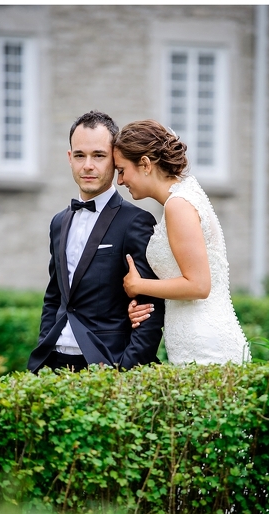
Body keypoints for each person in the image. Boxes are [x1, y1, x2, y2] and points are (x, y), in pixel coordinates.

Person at [28, 111, 164, 373]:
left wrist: (125, 370)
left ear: (114, 159)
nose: (88, 165)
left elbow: (151, 308)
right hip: (54, 362)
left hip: (107, 363)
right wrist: (45, 344)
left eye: (98, 156)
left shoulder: (135, 222)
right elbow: (54, 297)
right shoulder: (58, 222)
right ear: (70, 158)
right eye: (80, 155)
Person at [114, 120, 249, 365]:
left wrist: (138, 285)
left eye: (122, 170)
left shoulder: (179, 205)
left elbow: (198, 286)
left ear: (145, 164)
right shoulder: (185, 195)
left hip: (205, 345)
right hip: (192, 337)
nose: (120, 181)